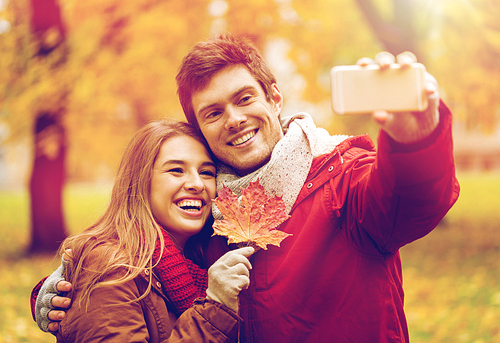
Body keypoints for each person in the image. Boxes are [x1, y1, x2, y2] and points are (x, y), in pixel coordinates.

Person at [35, 33, 460, 342]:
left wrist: (416, 141)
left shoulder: (342, 178)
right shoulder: (209, 212)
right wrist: (62, 287)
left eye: (244, 99)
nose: (234, 120)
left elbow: (411, 201)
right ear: (202, 129)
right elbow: (143, 260)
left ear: (274, 97)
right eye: (213, 113)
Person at [32, 118, 254, 342]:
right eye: (176, 170)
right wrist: (214, 310)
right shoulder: (109, 266)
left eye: (206, 172)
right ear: (140, 181)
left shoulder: (204, 255)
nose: (197, 184)